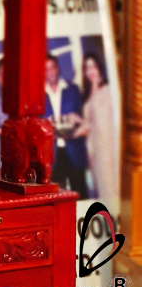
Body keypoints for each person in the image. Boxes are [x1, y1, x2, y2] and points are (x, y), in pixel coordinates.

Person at [45, 53, 88, 195]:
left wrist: (74, 125)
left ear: (58, 68)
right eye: (46, 69)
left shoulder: (73, 89)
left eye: (52, 67)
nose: (50, 72)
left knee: (80, 192)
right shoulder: (38, 95)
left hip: (73, 150)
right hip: (52, 155)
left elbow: (83, 118)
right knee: (55, 198)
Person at [82, 50, 119, 206]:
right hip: (95, 150)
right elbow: (90, 125)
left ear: (100, 68)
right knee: (102, 191)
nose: (91, 71)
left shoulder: (108, 90)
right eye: (87, 68)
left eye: (94, 67)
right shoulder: (88, 94)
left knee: (112, 188)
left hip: (109, 148)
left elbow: (105, 123)